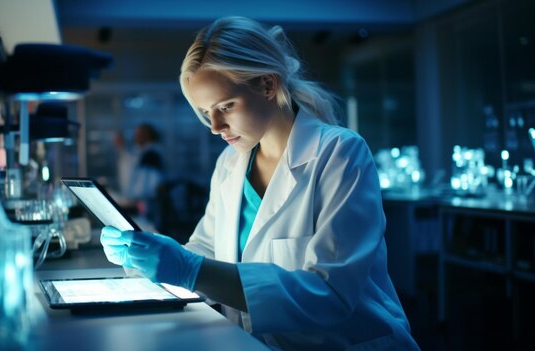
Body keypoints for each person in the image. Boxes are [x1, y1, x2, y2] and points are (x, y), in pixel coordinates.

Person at [100, 16, 420, 350]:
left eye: (226, 106)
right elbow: (206, 250)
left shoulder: (339, 153)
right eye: (206, 111)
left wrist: (189, 270)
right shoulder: (230, 163)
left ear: (268, 85)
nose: (214, 126)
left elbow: (330, 295)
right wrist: (147, 255)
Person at [114, 123, 165, 214]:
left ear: (148, 135)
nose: (136, 136)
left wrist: (122, 148)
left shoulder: (152, 153)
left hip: (147, 201)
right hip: (137, 200)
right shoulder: (138, 152)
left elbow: (134, 167)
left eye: (140, 133)